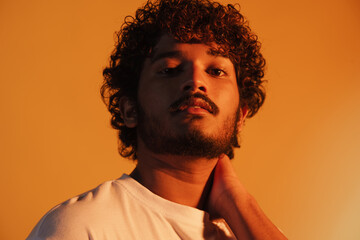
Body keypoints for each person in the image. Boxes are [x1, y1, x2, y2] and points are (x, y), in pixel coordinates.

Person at [27, 0, 287, 239]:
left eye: (216, 71)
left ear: (241, 116)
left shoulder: (248, 227)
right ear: (131, 110)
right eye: (169, 70)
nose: (196, 82)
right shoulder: (82, 226)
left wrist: (239, 202)